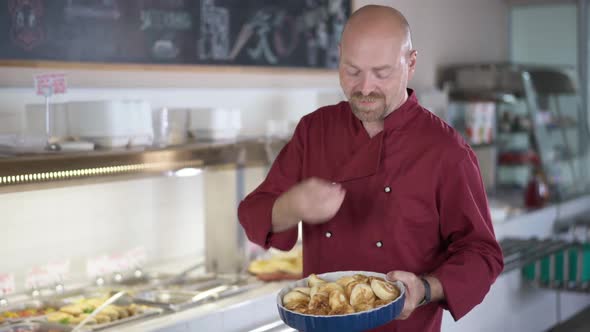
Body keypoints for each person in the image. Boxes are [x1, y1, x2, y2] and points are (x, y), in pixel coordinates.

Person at [238, 4, 503, 332]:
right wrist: (291, 206)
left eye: (382, 72)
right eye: (352, 71)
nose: (364, 88)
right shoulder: (315, 131)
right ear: (338, 57)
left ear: (411, 62)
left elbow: (482, 254)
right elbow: (253, 213)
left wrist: (424, 288)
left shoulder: (445, 150)